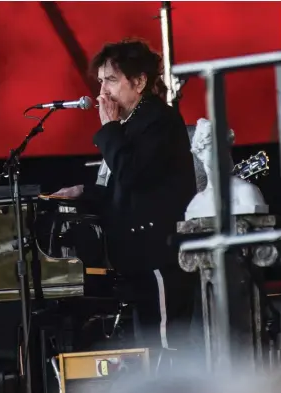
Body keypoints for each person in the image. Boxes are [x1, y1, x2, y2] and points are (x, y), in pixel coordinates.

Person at [53, 38, 197, 351]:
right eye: (101, 81)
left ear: (140, 81)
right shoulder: (131, 124)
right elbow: (124, 186)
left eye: (112, 81)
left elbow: (132, 175)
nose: (103, 91)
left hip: (159, 254)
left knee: (164, 344)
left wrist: (109, 127)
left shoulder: (157, 121)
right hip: (135, 259)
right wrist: (84, 191)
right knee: (146, 344)